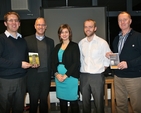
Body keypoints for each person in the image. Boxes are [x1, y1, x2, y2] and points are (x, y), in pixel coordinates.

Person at [106, 11, 141, 113]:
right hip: (118, 77)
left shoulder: (138, 37)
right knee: (120, 106)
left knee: (137, 107)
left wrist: (128, 64)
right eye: (120, 20)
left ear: (130, 21)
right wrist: (111, 55)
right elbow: (119, 57)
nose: (122, 22)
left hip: (134, 78)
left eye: (125, 19)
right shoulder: (116, 39)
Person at [0, 12, 31, 113]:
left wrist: (31, 63)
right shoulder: (1, 39)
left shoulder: (22, 40)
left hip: (21, 80)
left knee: (18, 109)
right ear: (5, 23)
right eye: (10, 20)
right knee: (4, 108)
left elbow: (24, 57)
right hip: (6, 81)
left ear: (19, 23)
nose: (14, 23)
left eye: (16, 20)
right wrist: (20, 64)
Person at [79, 19, 111, 113]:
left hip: (97, 76)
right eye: (86, 27)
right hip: (84, 76)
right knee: (85, 103)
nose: (88, 29)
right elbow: (81, 59)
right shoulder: (81, 43)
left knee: (99, 104)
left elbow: (108, 58)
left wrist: (102, 68)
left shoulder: (102, 42)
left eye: (90, 26)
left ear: (95, 28)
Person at [24, 17, 54, 113]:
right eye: (38, 25)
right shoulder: (27, 40)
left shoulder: (50, 41)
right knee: (33, 102)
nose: (40, 27)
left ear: (46, 27)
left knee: (44, 102)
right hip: (32, 76)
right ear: (35, 26)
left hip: (45, 76)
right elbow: (23, 57)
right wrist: (29, 64)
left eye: (42, 25)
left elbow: (51, 59)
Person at [51, 24, 80, 113]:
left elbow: (75, 63)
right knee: (62, 101)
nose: (64, 34)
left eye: (66, 32)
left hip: (71, 78)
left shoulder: (74, 46)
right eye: (62, 32)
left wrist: (66, 75)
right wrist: (56, 74)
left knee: (73, 102)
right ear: (59, 34)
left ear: (69, 33)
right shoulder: (57, 47)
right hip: (58, 78)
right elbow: (52, 62)